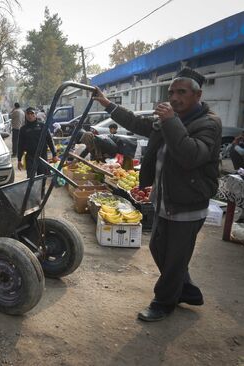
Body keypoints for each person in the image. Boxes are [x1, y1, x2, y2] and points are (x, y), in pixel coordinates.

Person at [94, 67, 222, 322]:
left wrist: (171, 121)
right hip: (165, 199)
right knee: (158, 247)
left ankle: (163, 303)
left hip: (188, 203)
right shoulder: (169, 119)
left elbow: (190, 155)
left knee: (174, 257)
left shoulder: (208, 123)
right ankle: (186, 290)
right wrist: (107, 104)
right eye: (171, 91)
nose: (174, 97)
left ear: (197, 95)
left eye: (181, 92)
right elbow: (137, 123)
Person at [17, 107, 57, 178]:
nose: (30, 115)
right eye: (28, 114)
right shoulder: (23, 129)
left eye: (32, 113)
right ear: (26, 115)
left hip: (42, 156)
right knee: (30, 178)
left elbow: (50, 140)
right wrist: (19, 159)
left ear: (35, 115)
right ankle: (32, 189)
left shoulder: (42, 126)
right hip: (30, 157)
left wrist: (54, 154)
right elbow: (20, 145)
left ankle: (42, 189)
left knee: (42, 177)